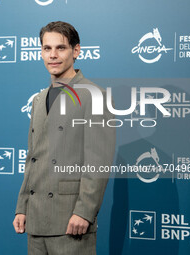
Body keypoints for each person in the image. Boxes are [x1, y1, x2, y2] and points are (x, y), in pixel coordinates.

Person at [13, 21, 116, 255]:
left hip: (71, 220)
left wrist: (84, 211)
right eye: (47, 49)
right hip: (36, 221)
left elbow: (98, 162)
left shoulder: (94, 96)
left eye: (60, 48)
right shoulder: (39, 100)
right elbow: (33, 158)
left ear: (76, 51)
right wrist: (22, 207)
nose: (53, 55)